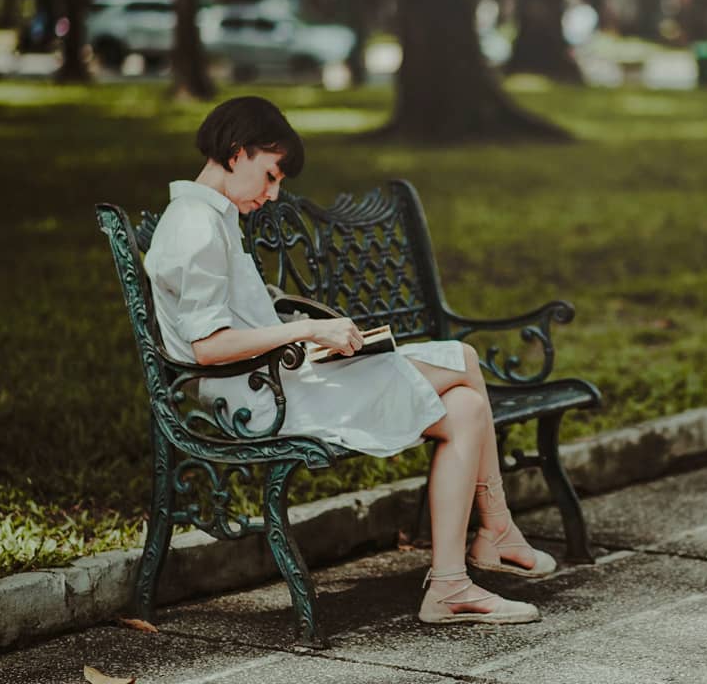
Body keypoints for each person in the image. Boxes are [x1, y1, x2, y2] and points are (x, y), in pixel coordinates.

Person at [143, 96, 554, 625]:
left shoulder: (207, 217)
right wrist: (310, 329)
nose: (271, 195)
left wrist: (307, 334)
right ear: (237, 152)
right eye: (270, 176)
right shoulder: (197, 226)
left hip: (270, 380)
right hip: (252, 398)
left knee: (469, 409)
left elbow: (231, 319)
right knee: (463, 359)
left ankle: (453, 583)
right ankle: (494, 531)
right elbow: (207, 347)